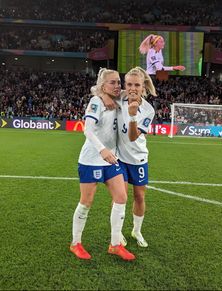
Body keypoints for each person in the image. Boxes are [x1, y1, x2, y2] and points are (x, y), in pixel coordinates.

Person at [70, 68, 135, 261]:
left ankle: (115, 244)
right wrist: (102, 150)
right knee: (86, 202)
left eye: (118, 82)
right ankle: (75, 243)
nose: (118, 86)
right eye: (112, 82)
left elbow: (135, 90)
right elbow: (88, 131)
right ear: (103, 85)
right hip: (92, 160)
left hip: (111, 160)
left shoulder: (118, 99)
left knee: (121, 198)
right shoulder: (96, 102)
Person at [102, 67, 156, 248]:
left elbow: (133, 137)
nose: (132, 88)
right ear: (125, 85)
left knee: (139, 196)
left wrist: (133, 116)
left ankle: (136, 230)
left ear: (143, 87)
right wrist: (105, 97)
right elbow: (98, 89)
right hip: (119, 157)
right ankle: (116, 235)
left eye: (137, 85)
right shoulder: (121, 96)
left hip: (139, 158)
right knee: (120, 196)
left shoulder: (148, 110)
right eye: (129, 84)